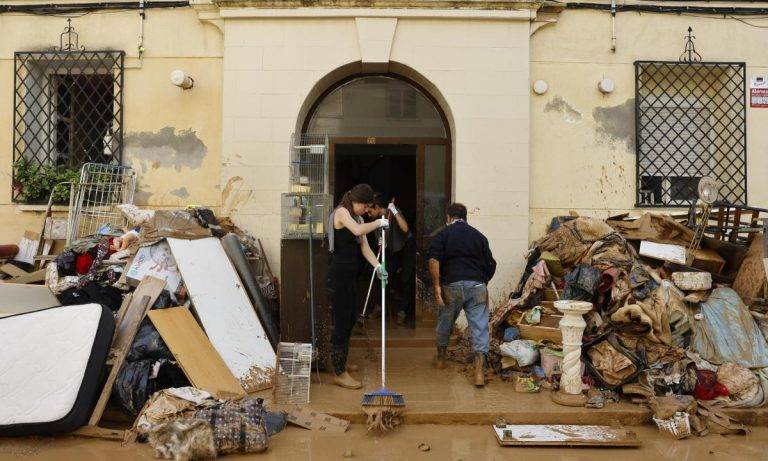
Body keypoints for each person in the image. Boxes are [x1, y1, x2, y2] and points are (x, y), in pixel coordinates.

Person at [327, 184, 389, 389]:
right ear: (357, 201)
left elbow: (365, 246)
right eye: (366, 206)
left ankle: (339, 362)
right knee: (342, 320)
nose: (366, 210)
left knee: (352, 316)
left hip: (350, 276)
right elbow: (357, 230)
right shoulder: (342, 213)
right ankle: (339, 373)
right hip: (338, 276)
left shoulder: (359, 218)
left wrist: (378, 266)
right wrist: (379, 221)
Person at [427, 203, 496, 387]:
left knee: (445, 321)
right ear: (466, 217)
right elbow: (491, 264)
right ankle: (479, 373)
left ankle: (441, 360)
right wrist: (483, 282)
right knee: (480, 327)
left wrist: (437, 287)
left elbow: (434, 260)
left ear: (449, 218)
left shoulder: (443, 234)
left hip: (452, 286)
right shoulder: (479, 236)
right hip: (477, 285)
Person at [367, 194, 416, 326]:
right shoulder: (376, 220)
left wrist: (394, 211)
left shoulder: (393, 210)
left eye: (370, 210)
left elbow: (405, 228)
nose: (368, 214)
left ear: (377, 207)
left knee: (406, 279)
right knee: (383, 275)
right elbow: (379, 240)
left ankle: (402, 312)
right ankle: (379, 307)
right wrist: (381, 242)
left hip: (406, 246)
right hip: (391, 250)